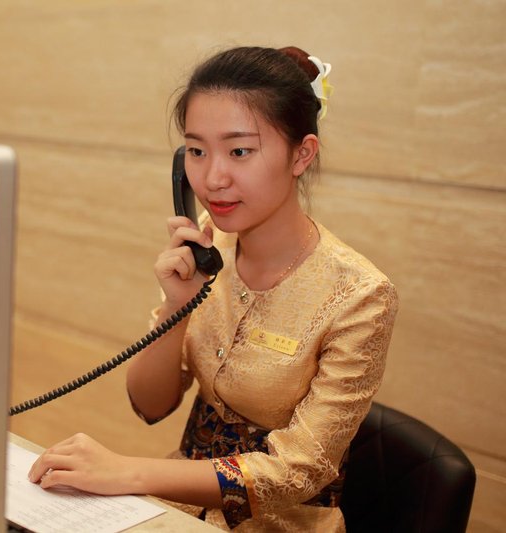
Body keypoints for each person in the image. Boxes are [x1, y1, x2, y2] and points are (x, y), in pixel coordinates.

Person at [28, 45, 398, 531]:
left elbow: (300, 471)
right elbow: (149, 405)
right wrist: (177, 307)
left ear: (301, 154)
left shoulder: (361, 294)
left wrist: (128, 472)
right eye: (197, 152)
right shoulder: (209, 243)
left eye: (239, 151)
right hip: (178, 512)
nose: (213, 178)